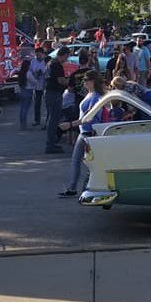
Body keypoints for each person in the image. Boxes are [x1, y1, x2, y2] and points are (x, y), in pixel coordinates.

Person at [57, 70, 107, 198]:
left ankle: (79, 188)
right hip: (86, 132)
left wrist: (70, 124)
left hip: (88, 133)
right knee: (85, 162)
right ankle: (80, 188)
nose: (84, 82)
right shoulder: (91, 94)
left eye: (86, 80)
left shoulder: (95, 96)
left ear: (93, 81)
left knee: (83, 162)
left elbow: (88, 117)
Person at [44, 47, 70, 154]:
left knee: (52, 119)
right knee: (54, 120)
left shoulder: (50, 63)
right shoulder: (57, 65)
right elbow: (61, 81)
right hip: (54, 93)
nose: (67, 58)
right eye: (67, 56)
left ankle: (52, 142)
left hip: (49, 93)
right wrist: (70, 80)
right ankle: (50, 144)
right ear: (63, 54)